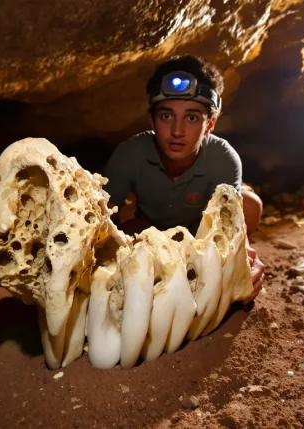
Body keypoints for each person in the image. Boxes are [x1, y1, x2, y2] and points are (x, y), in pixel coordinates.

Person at [102, 54, 265, 303]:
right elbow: (103, 220)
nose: (177, 131)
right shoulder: (129, 154)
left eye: (191, 118)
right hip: (151, 229)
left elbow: (228, 232)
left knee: (250, 204)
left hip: (200, 232)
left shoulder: (223, 158)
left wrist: (240, 265)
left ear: (210, 124)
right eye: (166, 116)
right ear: (152, 119)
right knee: (126, 234)